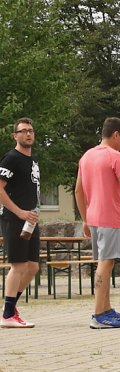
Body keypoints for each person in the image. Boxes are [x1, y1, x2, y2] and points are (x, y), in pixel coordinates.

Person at [75, 117, 120, 329]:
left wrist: (85, 219)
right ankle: (98, 315)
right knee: (106, 263)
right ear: (116, 134)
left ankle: (106, 309)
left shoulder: (86, 156)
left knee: (105, 263)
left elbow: (78, 191)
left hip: (94, 218)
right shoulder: (116, 157)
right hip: (109, 218)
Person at [0, 118, 41, 328]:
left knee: (32, 266)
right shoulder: (11, 158)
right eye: (23, 131)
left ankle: (10, 308)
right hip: (13, 218)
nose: (28, 134)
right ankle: (7, 315)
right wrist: (19, 212)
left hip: (31, 219)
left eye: (31, 130)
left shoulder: (33, 161)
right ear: (15, 135)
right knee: (18, 265)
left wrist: (33, 212)